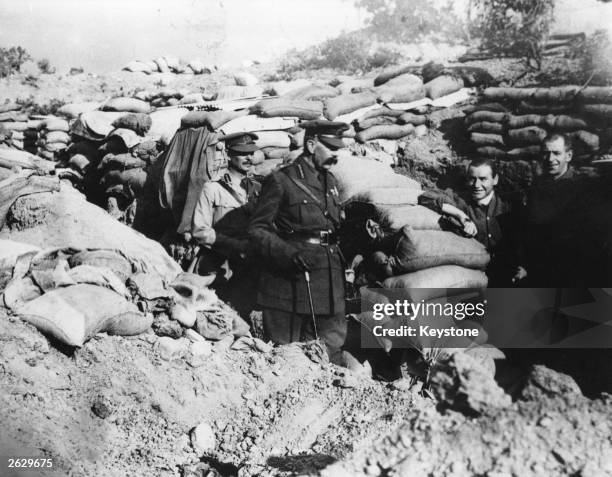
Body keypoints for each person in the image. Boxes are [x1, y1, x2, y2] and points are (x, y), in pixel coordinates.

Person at [248, 120, 349, 365]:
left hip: (328, 282)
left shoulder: (332, 182)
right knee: (287, 356)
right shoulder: (282, 180)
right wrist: (287, 253)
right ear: (312, 145)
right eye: (331, 147)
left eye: (338, 148)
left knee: (331, 352)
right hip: (290, 282)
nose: (336, 154)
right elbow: (257, 229)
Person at [418, 158, 523, 286]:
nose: (476, 185)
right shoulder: (461, 200)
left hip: (507, 277)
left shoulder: (508, 204)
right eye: (472, 179)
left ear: (495, 180)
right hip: (472, 277)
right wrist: (462, 216)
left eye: (483, 179)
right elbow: (426, 198)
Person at [191, 132, 262, 318]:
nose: (248, 158)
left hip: (249, 263)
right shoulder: (212, 188)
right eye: (242, 153)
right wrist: (234, 245)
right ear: (229, 155)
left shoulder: (257, 190)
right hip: (219, 262)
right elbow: (200, 230)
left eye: (251, 153)